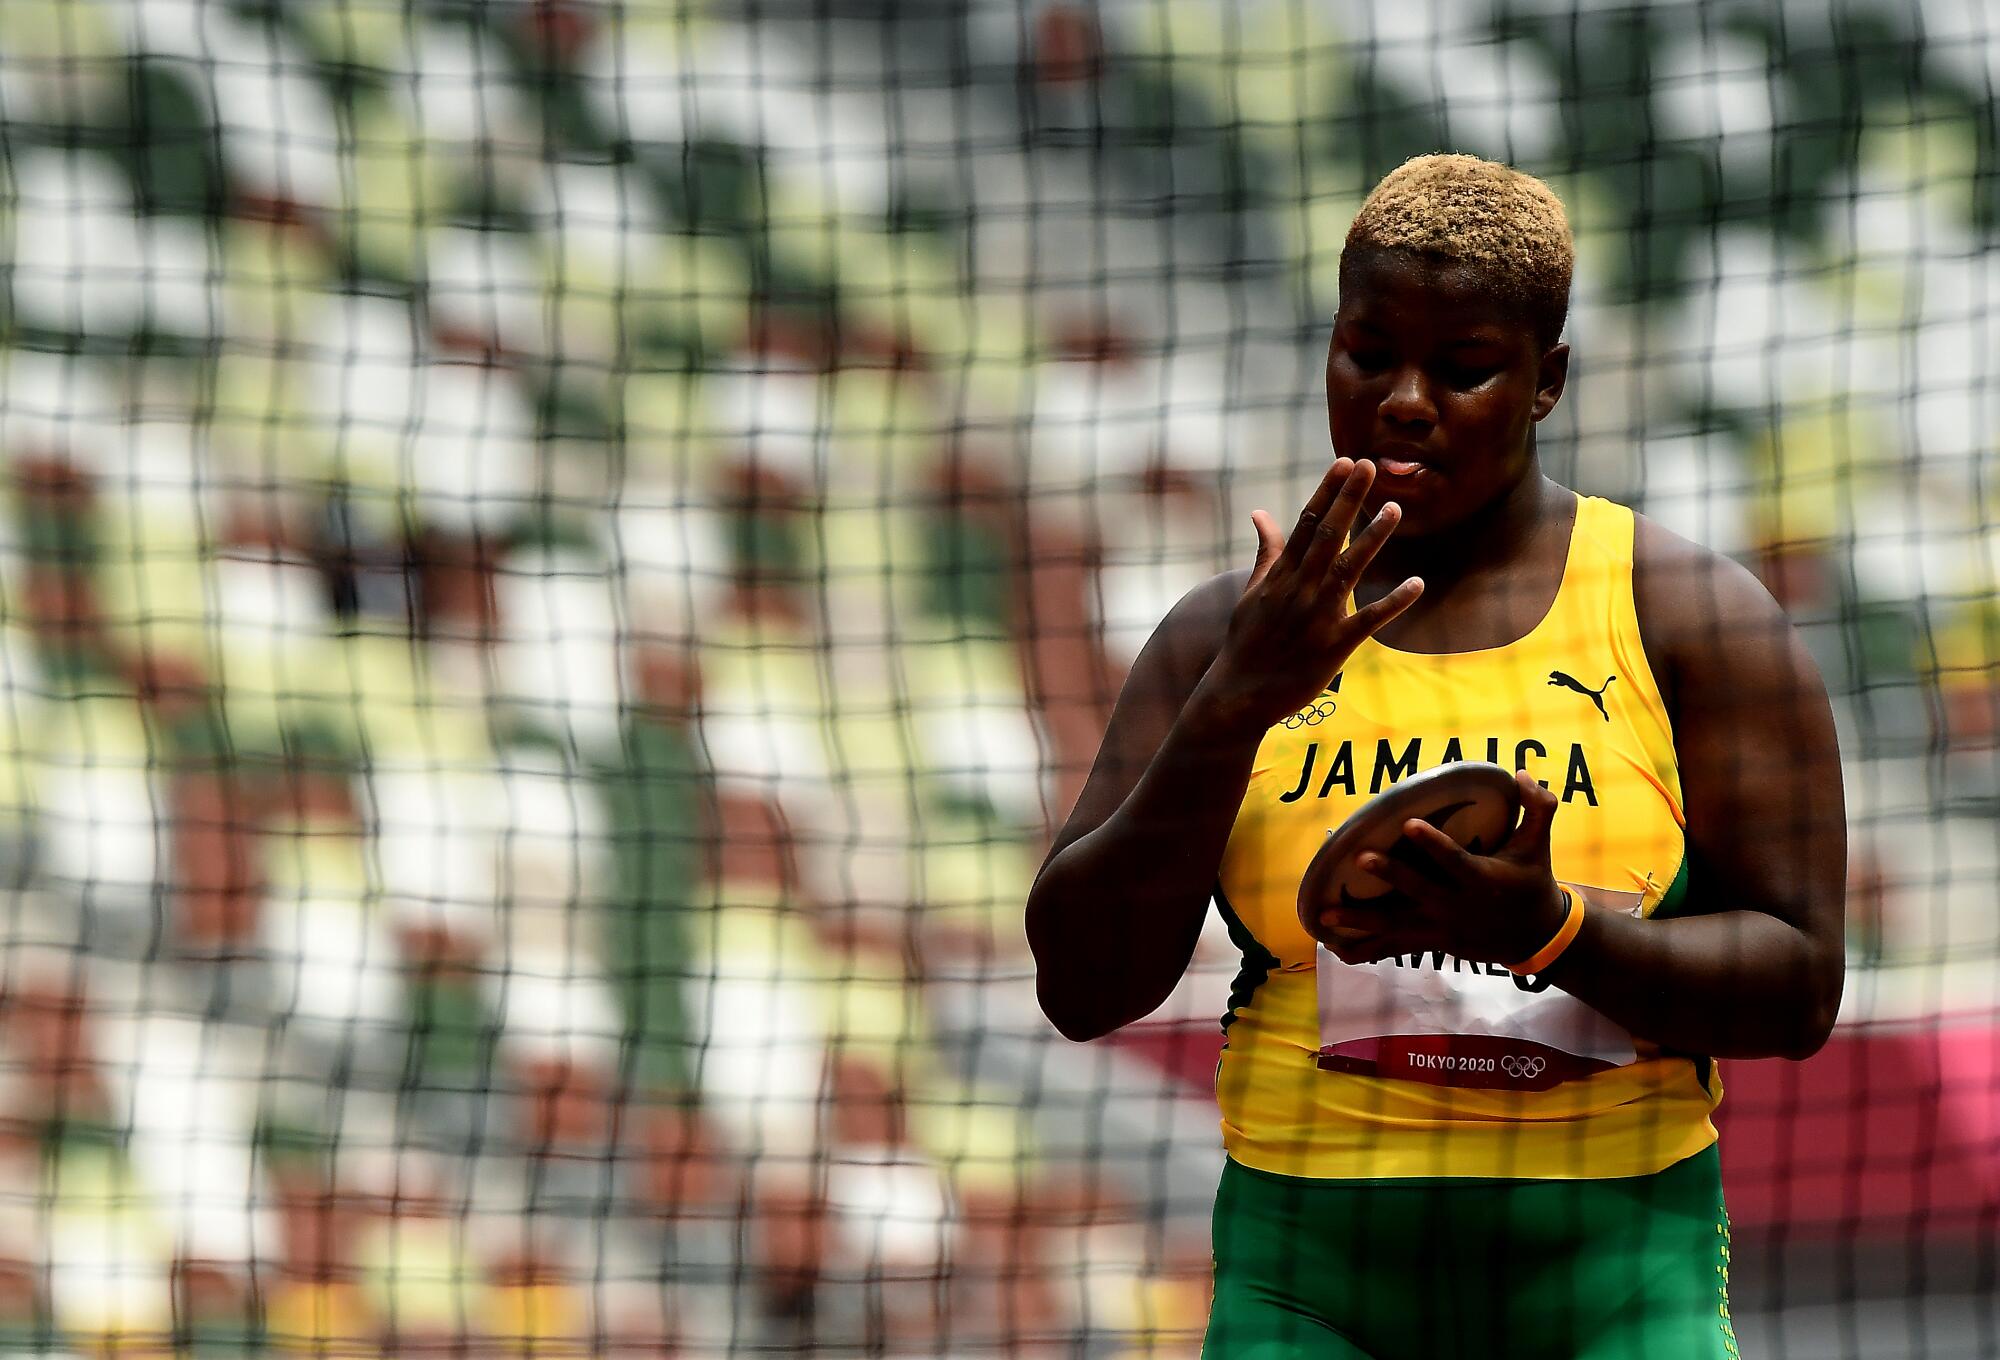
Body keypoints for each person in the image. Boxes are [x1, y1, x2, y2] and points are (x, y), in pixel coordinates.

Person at [1024, 154, 1846, 1359]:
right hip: (1308, 1270)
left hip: (1615, 1264)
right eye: (1367, 354)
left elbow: (1798, 985)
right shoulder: (1223, 632)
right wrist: (1232, 707)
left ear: (1544, 380)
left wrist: (1551, 934)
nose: (1405, 400)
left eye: (1462, 368)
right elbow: (1081, 985)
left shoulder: (1688, 617)